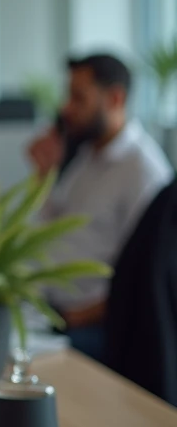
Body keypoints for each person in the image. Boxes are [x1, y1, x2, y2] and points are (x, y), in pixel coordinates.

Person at [27, 53, 173, 362]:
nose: (66, 108)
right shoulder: (87, 156)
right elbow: (50, 228)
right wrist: (44, 176)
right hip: (52, 313)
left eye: (78, 98)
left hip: (95, 326)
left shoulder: (143, 172)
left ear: (115, 98)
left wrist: (77, 317)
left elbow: (149, 278)